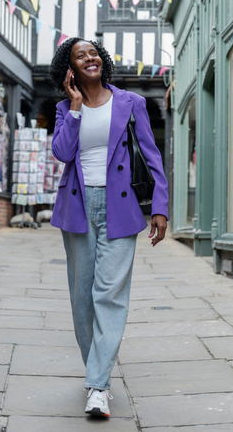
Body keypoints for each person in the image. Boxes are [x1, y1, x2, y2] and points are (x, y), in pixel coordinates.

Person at [48, 37, 168, 417]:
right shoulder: (65, 108)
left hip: (121, 208)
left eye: (93, 52)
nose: (90, 58)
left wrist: (160, 208)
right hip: (78, 209)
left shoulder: (132, 103)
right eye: (80, 55)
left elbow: (151, 155)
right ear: (69, 69)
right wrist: (76, 109)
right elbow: (63, 153)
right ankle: (96, 374)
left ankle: (97, 386)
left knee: (109, 295)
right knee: (82, 300)